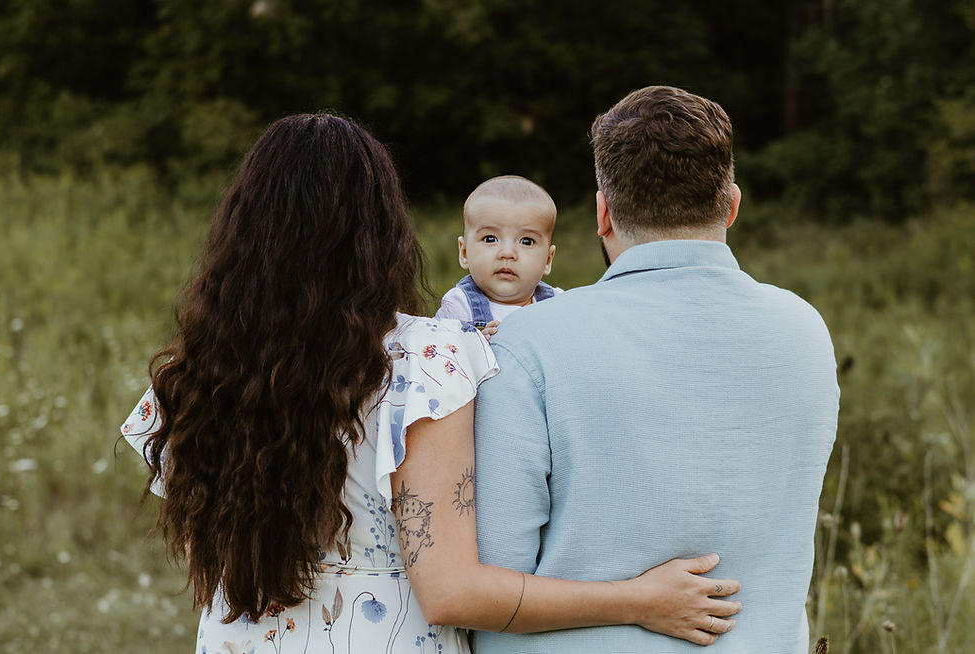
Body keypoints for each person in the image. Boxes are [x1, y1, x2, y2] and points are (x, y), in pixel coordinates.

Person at [120, 113, 743, 654]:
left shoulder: (193, 376)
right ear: (379, 234)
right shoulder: (428, 359)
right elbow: (452, 592)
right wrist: (638, 599)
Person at [473, 86, 840, 653]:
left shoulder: (527, 344)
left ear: (602, 213)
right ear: (733, 205)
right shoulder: (805, 330)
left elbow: (493, 579)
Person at [435, 175, 563, 336]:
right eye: (490, 239)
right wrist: (472, 344)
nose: (507, 253)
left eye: (527, 241)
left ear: (548, 260)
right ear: (464, 253)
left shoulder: (558, 304)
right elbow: (439, 353)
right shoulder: (459, 306)